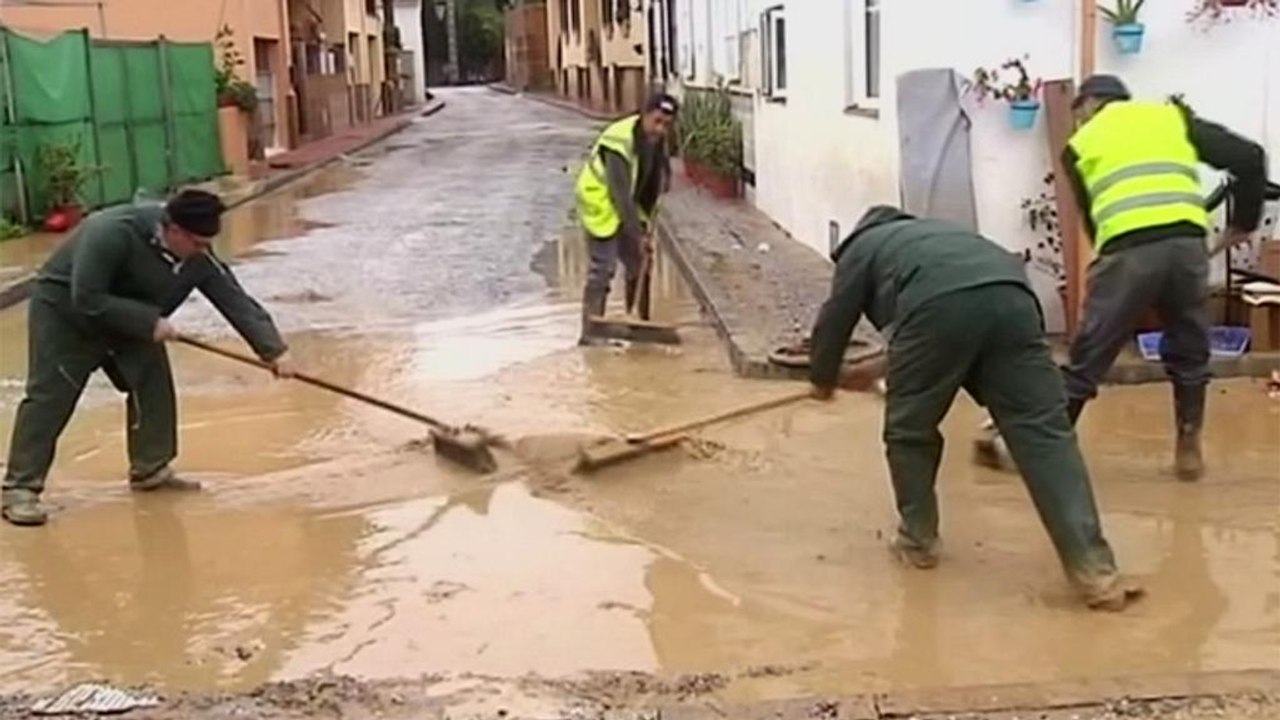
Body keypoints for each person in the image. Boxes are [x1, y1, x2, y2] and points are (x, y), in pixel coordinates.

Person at [809, 205, 1141, 611]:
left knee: (909, 430)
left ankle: (918, 541)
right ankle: (1097, 573)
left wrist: (822, 378)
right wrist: (876, 368)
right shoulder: (934, 238)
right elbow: (943, 329)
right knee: (1045, 434)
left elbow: (836, 319)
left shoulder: (861, 249)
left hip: (941, 307)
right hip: (1014, 300)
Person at [976, 75, 1269, 481]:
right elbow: (1250, 156)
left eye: (1079, 114)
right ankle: (1188, 449)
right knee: (1189, 349)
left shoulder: (1079, 146)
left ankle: (1042, 451)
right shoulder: (1171, 118)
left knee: (1088, 356)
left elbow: (1095, 222)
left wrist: (1111, 275)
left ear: (1088, 106)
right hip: (1187, 246)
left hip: (1129, 251)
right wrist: (1243, 223)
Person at [1, 190, 296, 527]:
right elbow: (87, 296)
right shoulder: (110, 232)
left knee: (152, 385)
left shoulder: (196, 254)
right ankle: (20, 489)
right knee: (51, 396)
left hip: (133, 316)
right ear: (172, 230)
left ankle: (151, 468)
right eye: (197, 243)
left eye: (206, 244)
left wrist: (273, 350)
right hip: (68, 316)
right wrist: (148, 322)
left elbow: (232, 297)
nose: (203, 251)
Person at [574, 92, 678, 345]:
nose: (660, 129)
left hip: (630, 205)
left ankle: (640, 323)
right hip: (600, 202)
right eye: (656, 121)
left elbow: (654, 176)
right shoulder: (618, 140)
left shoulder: (656, 139)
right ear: (643, 114)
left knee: (641, 262)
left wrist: (664, 179)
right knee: (603, 268)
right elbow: (620, 195)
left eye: (666, 124)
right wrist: (638, 234)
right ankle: (591, 333)